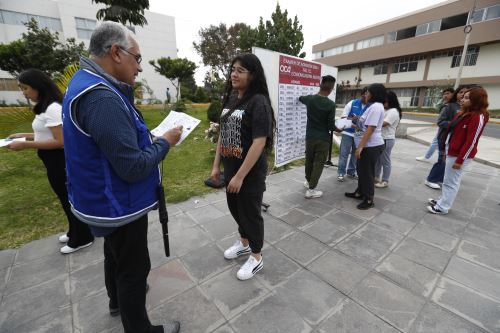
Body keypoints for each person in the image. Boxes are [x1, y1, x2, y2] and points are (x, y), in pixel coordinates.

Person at [62, 22, 181, 333]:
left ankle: (115, 301)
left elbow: (111, 144)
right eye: (137, 58)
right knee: (134, 270)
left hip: (101, 201)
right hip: (117, 204)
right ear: (116, 52)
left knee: (114, 254)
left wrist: (147, 139)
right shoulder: (101, 97)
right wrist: (165, 142)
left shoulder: (85, 82)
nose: (139, 68)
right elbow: (131, 168)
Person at [7, 69, 94, 254]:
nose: (24, 92)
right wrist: (25, 136)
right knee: (64, 198)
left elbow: (60, 141)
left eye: (26, 88)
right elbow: (46, 133)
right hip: (51, 159)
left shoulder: (52, 108)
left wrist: (25, 146)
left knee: (68, 198)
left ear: (38, 87)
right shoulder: (45, 106)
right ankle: (74, 232)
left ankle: (83, 237)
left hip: (58, 159)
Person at [210, 54, 275, 281]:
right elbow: (223, 134)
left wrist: (239, 176)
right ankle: (244, 244)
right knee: (236, 210)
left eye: (240, 70)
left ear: (253, 74)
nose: (233, 74)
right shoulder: (231, 100)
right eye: (232, 69)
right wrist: (216, 165)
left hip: (249, 174)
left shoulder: (259, 102)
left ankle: (256, 257)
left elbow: (259, 142)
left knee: (251, 215)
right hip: (231, 170)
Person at [428, 87, 489, 214]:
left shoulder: (477, 117)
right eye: (463, 96)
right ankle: (442, 201)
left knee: (451, 181)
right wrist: (445, 150)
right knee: (447, 180)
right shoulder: (463, 112)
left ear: (476, 100)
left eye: (467, 98)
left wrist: (460, 160)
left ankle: (443, 207)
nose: (462, 99)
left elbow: (471, 141)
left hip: (459, 155)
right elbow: (451, 132)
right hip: (452, 151)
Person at [345, 83, 386, 210]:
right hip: (366, 145)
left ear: (374, 94)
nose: (365, 94)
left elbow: (371, 129)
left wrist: (360, 147)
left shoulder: (376, 107)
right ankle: (359, 193)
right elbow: (363, 126)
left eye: (367, 92)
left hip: (370, 146)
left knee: (367, 173)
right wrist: (350, 124)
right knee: (362, 171)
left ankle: (369, 199)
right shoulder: (372, 106)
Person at [299, 75, 336, 199]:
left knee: (309, 160)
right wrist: (340, 128)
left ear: (320, 85)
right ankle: (311, 189)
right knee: (319, 163)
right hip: (323, 139)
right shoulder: (331, 105)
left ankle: (308, 181)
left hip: (310, 137)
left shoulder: (310, 99)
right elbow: (331, 126)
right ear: (331, 89)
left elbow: (300, 98)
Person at [424, 87, 463, 190]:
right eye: (461, 92)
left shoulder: (465, 108)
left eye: (466, 93)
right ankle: (431, 179)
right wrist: (455, 124)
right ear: (456, 94)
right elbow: (440, 122)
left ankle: (440, 179)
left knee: (447, 162)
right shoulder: (449, 107)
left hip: (456, 140)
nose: (463, 95)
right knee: (442, 160)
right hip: (445, 138)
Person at [337, 87, 367, 181]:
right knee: (344, 153)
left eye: (368, 94)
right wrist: (352, 119)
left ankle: (351, 171)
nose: (366, 96)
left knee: (355, 154)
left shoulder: (370, 106)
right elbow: (343, 117)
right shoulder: (352, 103)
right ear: (362, 94)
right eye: (365, 94)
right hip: (348, 133)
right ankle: (341, 173)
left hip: (360, 134)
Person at [374, 90, 402, 188]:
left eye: (385, 101)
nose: (383, 103)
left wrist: (372, 124)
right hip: (381, 138)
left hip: (386, 139)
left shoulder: (393, 111)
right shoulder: (386, 110)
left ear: (390, 100)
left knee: (385, 160)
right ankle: (376, 177)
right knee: (378, 160)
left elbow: (384, 124)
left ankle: (385, 180)